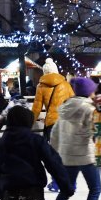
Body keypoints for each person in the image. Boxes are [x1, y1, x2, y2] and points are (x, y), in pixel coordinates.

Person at [47, 78, 101, 200]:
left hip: (67, 157)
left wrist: (56, 155)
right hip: (86, 156)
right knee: (95, 189)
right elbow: (95, 133)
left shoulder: (64, 109)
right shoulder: (89, 109)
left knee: (65, 192)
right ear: (89, 92)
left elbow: (55, 134)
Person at [31, 58, 75, 192]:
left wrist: (29, 122)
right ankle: (68, 181)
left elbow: (37, 107)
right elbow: (72, 103)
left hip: (51, 124)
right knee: (65, 154)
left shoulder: (41, 86)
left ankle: (56, 182)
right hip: (65, 123)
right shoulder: (65, 84)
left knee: (53, 155)